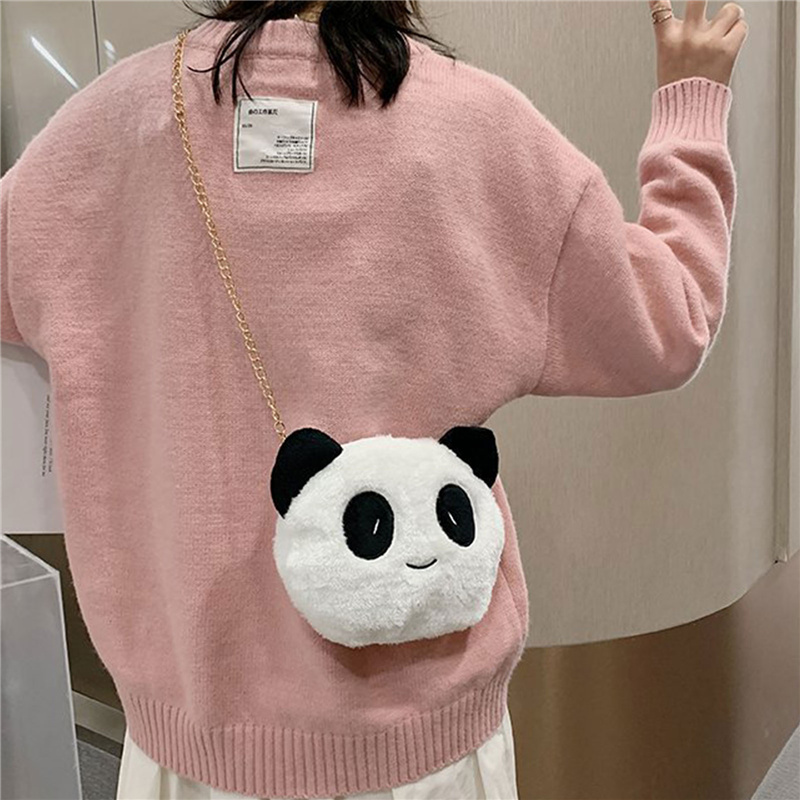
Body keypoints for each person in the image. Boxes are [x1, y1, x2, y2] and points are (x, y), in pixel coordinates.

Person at [0, 1, 746, 798]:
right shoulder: (477, 130)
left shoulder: (106, 133)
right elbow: (670, 320)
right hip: (426, 755)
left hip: (186, 751)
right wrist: (690, 107)